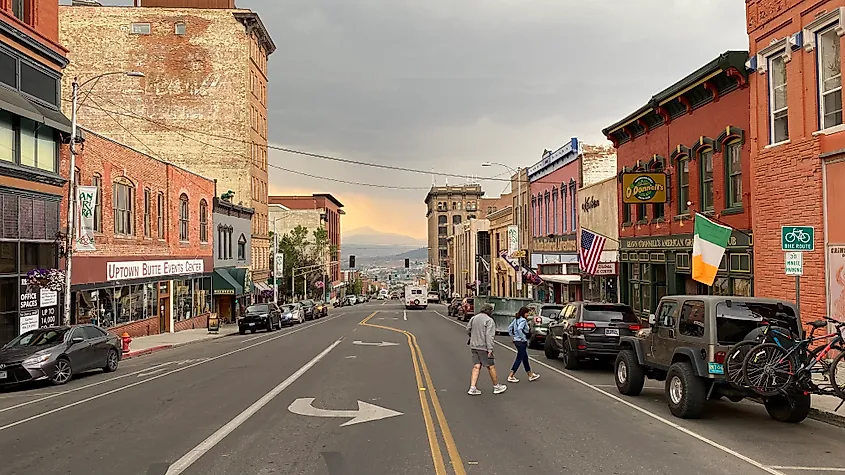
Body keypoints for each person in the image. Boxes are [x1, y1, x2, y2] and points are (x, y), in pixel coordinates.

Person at [466, 303, 507, 395]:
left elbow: (468, 329)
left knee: (476, 366)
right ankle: (496, 386)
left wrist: (472, 337)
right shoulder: (489, 321)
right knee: (490, 366)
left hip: (474, 345)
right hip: (483, 347)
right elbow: (489, 336)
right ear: (490, 311)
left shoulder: (474, 318)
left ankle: (472, 387)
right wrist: (490, 349)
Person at [507, 307, 540, 383]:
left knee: (525, 358)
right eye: (527, 313)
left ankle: (530, 374)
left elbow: (509, 328)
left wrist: (512, 336)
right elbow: (519, 329)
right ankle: (511, 375)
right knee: (519, 358)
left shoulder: (516, 320)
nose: (528, 314)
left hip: (516, 341)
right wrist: (523, 338)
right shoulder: (523, 320)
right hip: (521, 341)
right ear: (524, 313)